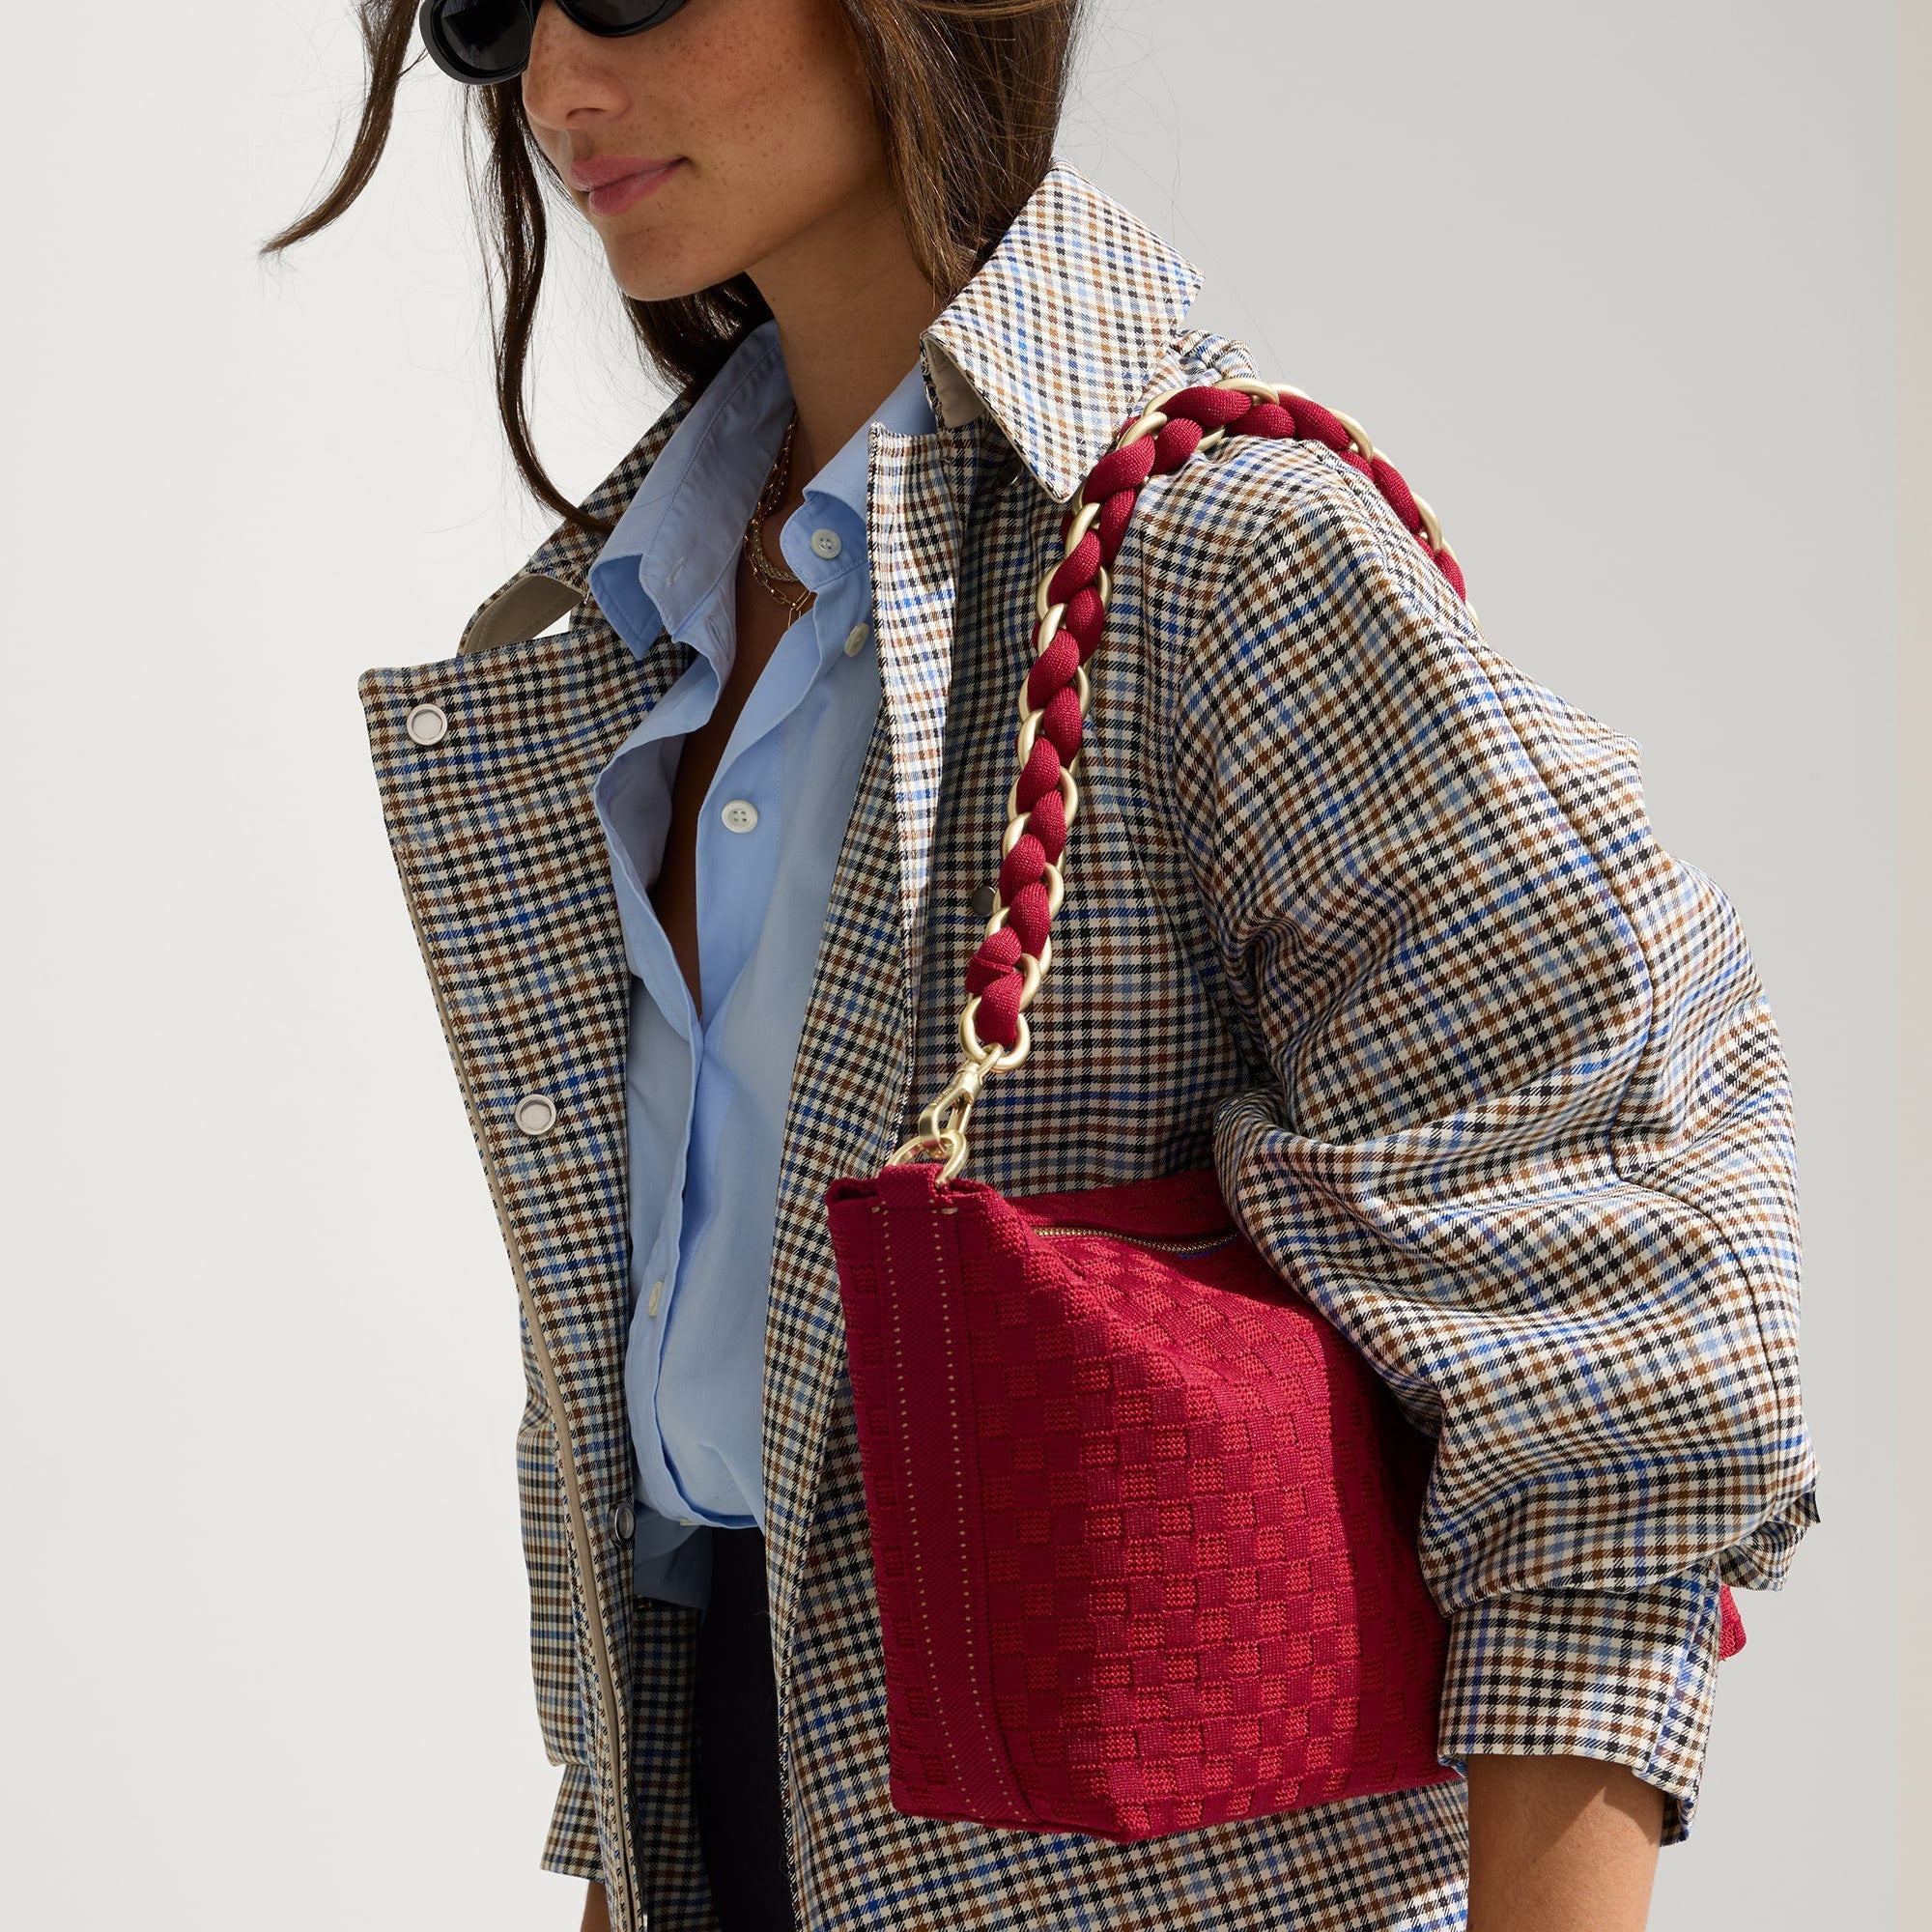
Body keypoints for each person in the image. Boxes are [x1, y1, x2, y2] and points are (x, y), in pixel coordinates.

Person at [264, 2, 1818, 1928]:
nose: (560, 88)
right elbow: (669, 1443)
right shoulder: (617, 633)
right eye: (502, 11)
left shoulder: (1221, 554)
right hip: (733, 1816)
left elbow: (1612, 1350)